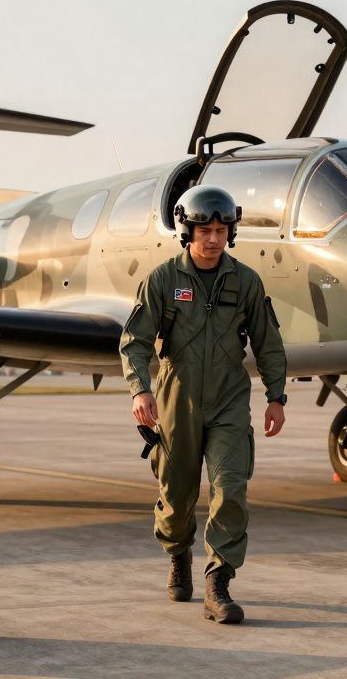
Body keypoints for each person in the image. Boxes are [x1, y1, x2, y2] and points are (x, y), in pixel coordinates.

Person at [119, 184, 287, 625]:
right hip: (177, 399)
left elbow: (269, 344)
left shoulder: (246, 281)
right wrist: (140, 390)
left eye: (221, 229)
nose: (213, 238)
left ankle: (219, 582)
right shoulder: (162, 280)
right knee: (176, 497)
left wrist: (276, 396)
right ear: (186, 230)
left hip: (230, 399)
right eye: (204, 229)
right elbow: (134, 342)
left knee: (231, 488)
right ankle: (178, 555)